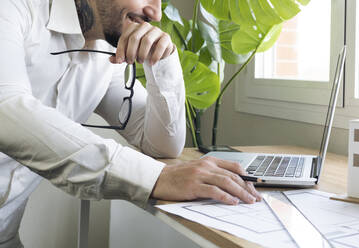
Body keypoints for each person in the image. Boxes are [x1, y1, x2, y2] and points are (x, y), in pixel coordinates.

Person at [0, 0, 262, 246]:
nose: (156, 14)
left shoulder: (104, 56)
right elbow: (6, 109)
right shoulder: (13, 8)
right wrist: (154, 177)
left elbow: (161, 146)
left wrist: (164, 61)